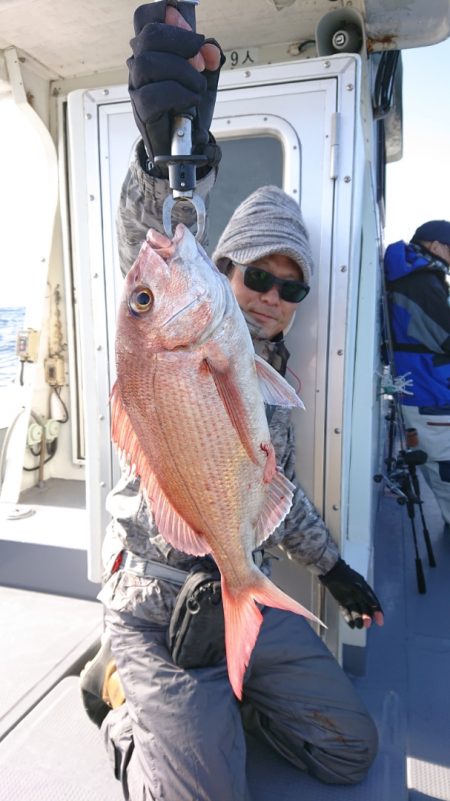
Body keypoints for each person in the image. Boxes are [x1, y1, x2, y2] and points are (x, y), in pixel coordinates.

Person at [80, 3, 384, 799]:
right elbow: (150, 240)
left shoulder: (263, 380)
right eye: (257, 274)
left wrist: (337, 569)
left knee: (353, 750)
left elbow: (275, 496)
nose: (273, 296)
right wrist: (168, 155)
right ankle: (122, 700)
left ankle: (223, 705)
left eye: (292, 286)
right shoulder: (183, 336)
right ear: (222, 269)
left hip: (233, 585)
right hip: (155, 597)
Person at [384, 220, 450, 529]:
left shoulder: (416, 275)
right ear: (436, 246)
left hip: (427, 389)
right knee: (445, 470)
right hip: (431, 393)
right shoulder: (421, 281)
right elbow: (444, 336)